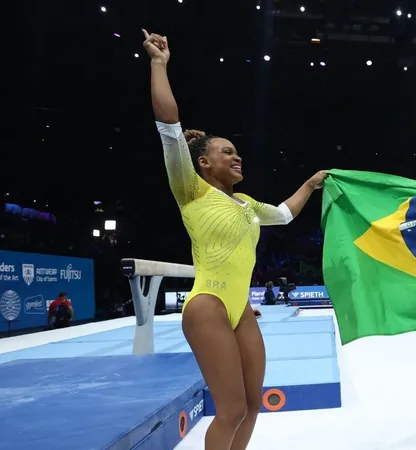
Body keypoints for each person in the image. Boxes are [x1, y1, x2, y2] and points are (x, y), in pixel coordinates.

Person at [142, 29, 327, 450]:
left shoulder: (246, 203)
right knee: (229, 410)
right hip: (207, 305)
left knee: (252, 405)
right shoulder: (190, 188)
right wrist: (159, 64)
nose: (236, 155)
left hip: (242, 309)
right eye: (226, 152)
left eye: (236, 151)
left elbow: (282, 214)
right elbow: (169, 126)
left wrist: (312, 184)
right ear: (203, 162)